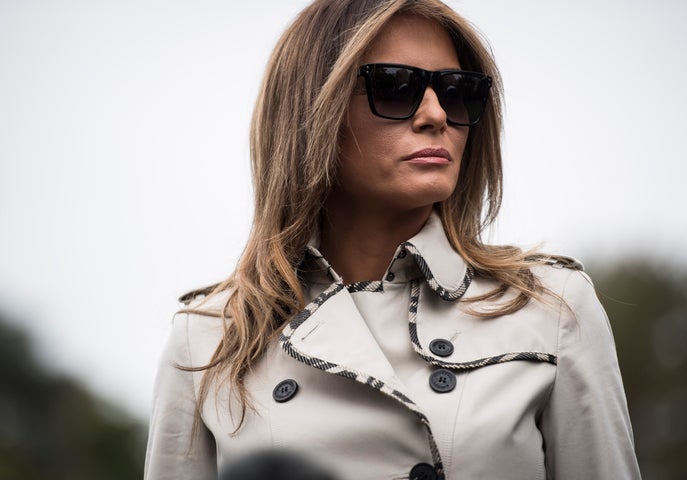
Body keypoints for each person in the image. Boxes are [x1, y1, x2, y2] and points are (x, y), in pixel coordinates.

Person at [144, 1, 641, 479]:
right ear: (313, 110)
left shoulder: (550, 309)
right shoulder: (210, 337)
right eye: (397, 87)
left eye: (455, 90)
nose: (436, 114)